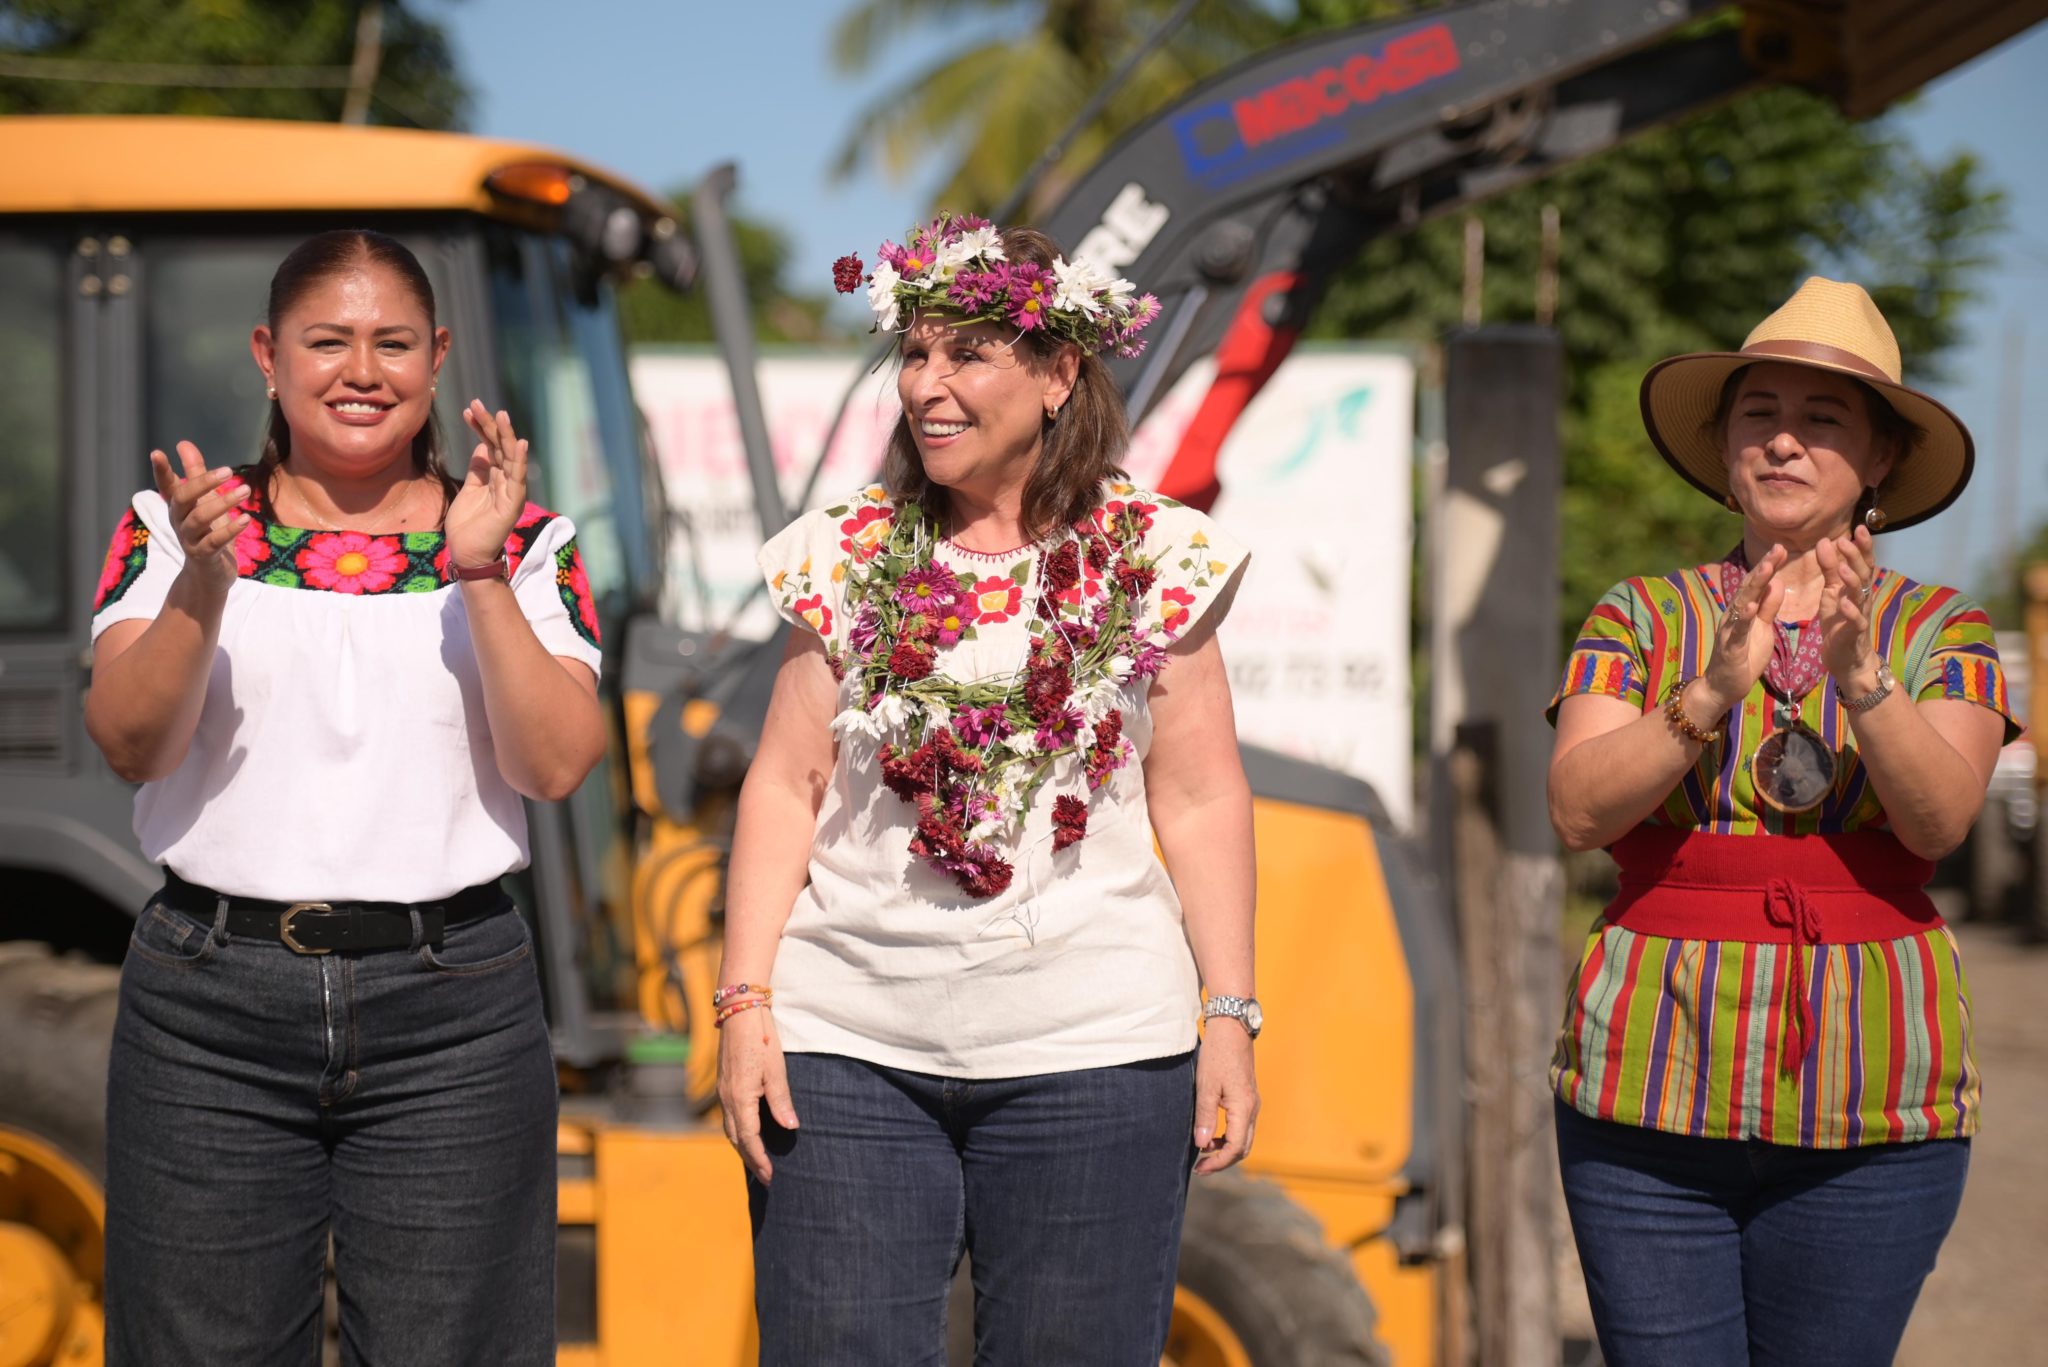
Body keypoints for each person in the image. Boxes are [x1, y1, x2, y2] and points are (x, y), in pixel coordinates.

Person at [716, 215, 1260, 1365]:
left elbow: (1202, 795)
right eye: (914, 353)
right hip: (844, 1054)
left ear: (1060, 372)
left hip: (1098, 1056)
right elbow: (784, 781)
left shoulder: (1155, 555)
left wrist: (1228, 1013)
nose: (928, 384)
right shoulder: (846, 551)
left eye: (967, 352)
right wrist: (743, 1002)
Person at [85, 228, 604, 1365]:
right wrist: (202, 586)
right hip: (208, 1011)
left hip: (454, 1015)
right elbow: (129, 742)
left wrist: (477, 570)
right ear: (268, 355)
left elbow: (556, 764)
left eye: (393, 343)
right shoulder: (178, 526)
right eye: (327, 341)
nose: (362, 371)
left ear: (439, 357)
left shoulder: (524, 540)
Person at [1546, 277, 2016, 1366]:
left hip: (1872, 1103)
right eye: (1757, 413)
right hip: (1644, 1088)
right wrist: (1710, 691)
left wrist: (1861, 678)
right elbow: (1575, 807)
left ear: (1881, 457)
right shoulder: (1639, 613)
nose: (1783, 440)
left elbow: (1939, 820)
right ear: (1722, 449)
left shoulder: (1942, 627)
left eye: (1822, 418)